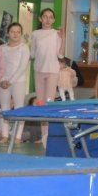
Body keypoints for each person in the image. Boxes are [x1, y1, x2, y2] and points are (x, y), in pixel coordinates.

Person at [31, 8, 63, 144]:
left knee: (49, 102)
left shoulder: (56, 34)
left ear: (54, 20)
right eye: (45, 16)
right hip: (39, 70)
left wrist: (63, 38)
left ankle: (49, 135)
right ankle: (43, 134)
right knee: (40, 103)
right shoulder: (35, 34)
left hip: (52, 71)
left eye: (50, 17)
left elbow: (60, 54)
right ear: (40, 18)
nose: (48, 19)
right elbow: (32, 54)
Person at [0, 22, 29, 144]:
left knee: (19, 108)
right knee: (4, 108)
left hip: (18, 81)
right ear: (8, 33)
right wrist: (2, 80)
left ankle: (18, 137)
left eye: (18, 32)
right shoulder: (2, 48)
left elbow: (22, 67)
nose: (15, 34)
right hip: (3, 82)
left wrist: (10, 81)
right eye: (12, 32)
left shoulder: (24, 47)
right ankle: (5, 136)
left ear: (21, 34)